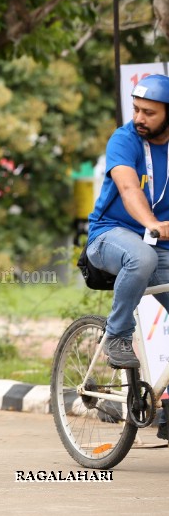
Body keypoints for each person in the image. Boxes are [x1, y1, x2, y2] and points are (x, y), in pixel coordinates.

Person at [85, 74, 169, 370]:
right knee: (141, 256)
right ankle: (117, 335)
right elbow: (129, 188)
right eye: (136, 109)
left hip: (158, 244)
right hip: (109, 236)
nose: (138, 118)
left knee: (146, 253)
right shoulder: (124, 139)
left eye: (148, 112)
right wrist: (153, 224)